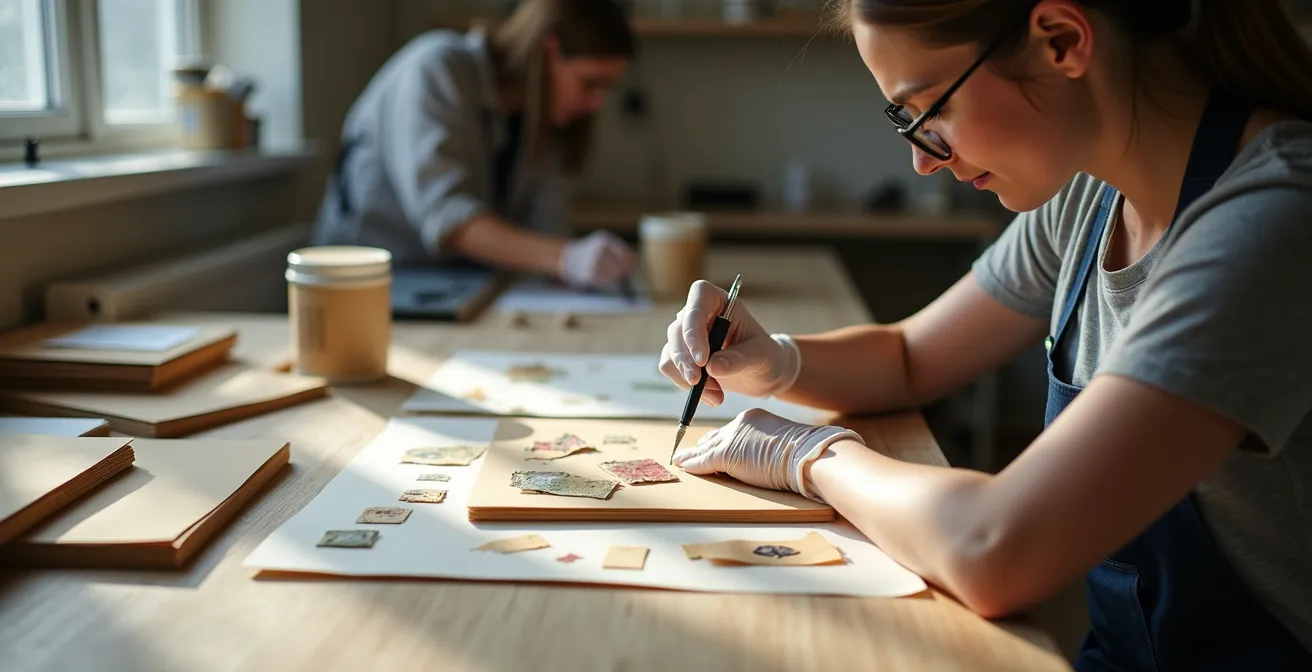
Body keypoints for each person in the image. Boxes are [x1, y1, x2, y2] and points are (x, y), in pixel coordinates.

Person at [658, 1, 1312, 669]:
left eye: (929, 109)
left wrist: (809, 456)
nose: (922, 162)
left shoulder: (1273, 222)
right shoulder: (1092, 195)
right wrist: (774, 361)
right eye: (904, 120)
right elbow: (910, 358)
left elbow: (994, 548)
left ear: (1061, 41)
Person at [312, 0, 638, 290]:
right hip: (367, 289)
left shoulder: (543, 119)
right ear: (550, 52)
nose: (597, 103)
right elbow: (448, 219)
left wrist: (572, 264)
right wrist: (566, 257)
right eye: (591, 83)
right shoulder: (437, 69)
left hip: (460, 286)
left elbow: (546, 229)